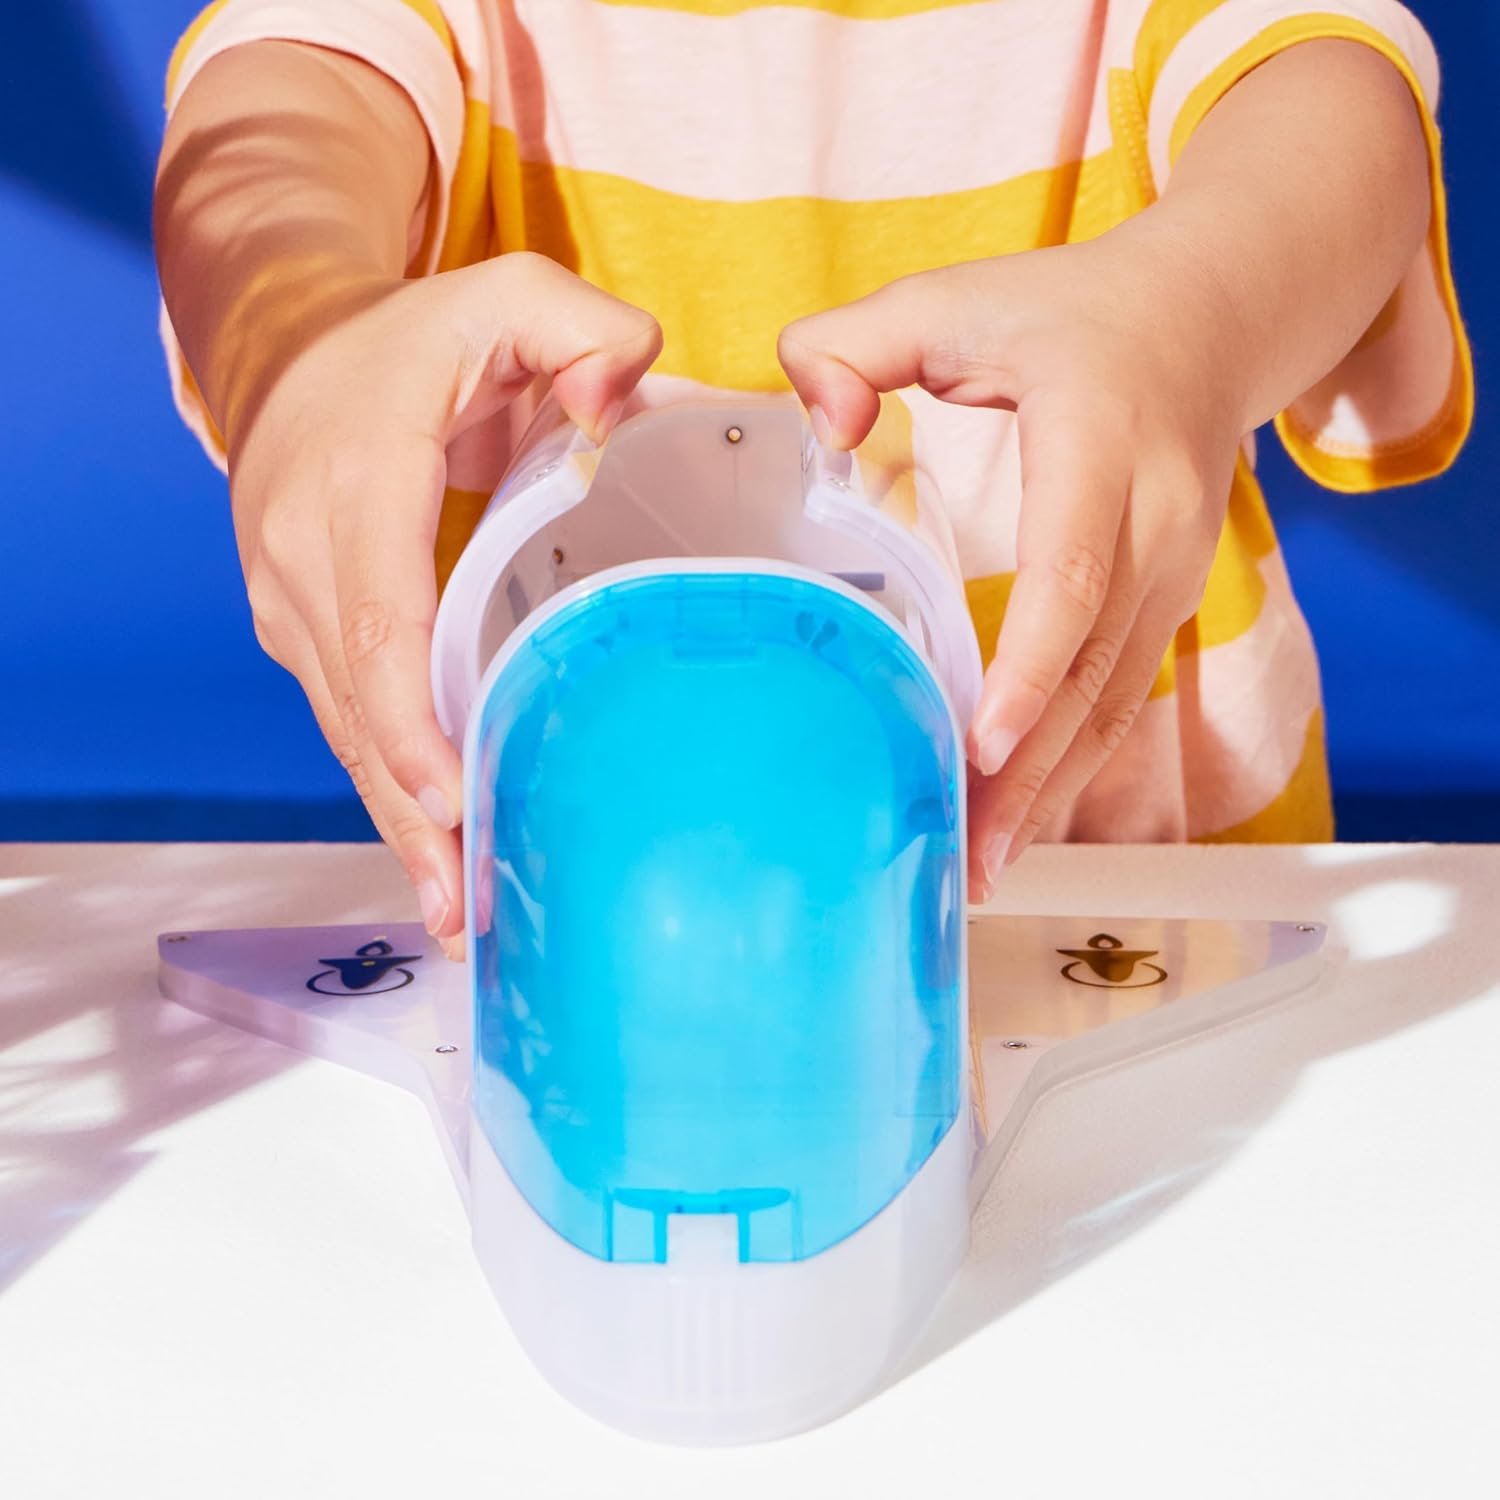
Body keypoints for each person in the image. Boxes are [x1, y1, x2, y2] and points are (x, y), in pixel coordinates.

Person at [154, 0, 1471, 957]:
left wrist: (1192, 312)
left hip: (1130, 889)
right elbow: (282, 98)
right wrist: (299, 337)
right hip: (579, 914)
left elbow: (1332, 91)